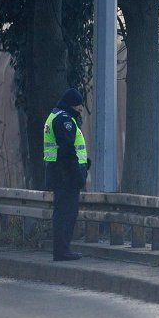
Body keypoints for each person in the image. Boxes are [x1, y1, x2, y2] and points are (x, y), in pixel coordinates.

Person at [44, 88, 90, 261]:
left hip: (59, 173)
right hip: (66, 176)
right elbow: (67, 149)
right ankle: (62, 251)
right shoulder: (64, 120)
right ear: (72, 104)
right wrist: (77, 174)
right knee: (66, 213)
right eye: (79, 107)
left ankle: (62, 250)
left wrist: (85, 163)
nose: (80, 111)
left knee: (62, 212)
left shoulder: (55, 116)